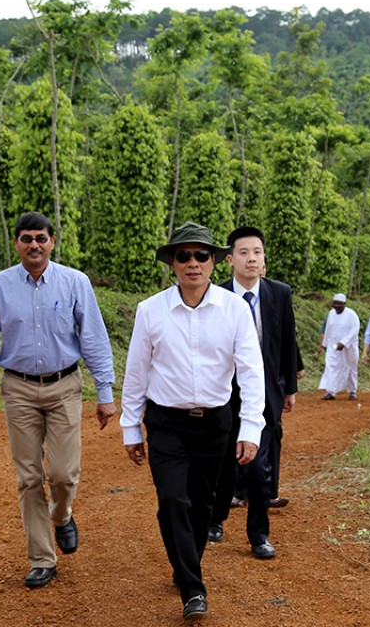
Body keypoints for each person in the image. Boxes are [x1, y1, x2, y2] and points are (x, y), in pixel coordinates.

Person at [120, 222, 265, 621]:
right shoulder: (150, 311)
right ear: (172, 263)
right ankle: (193, 586)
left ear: (215, 261)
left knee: (203, 505)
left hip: (217, 422)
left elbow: (251, 371)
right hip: (166, 422)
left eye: (201, 254)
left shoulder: (235, 310)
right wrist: (131, 426)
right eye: (182, 255)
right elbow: (136, 371)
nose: (192, 262)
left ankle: (185, 563)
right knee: (172, 500)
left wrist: (250, 428)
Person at [0, 211, 116, 589]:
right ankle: (41, 558)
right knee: (29, 476)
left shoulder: (74, 282)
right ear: (16, 243)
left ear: (52, 242)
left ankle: (62, 516)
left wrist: (104, 392)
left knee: (64, 474)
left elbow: (94, 338)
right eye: (26, 238)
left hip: (64, 385)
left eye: (40, 238)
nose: (34, 245)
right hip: (17, 390)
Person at [209, 226, 299, 560]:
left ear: (263, 259)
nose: (251, 258)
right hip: (222, 393)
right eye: (244, 252)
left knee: (259, 465)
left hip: (263, 394)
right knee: (222, 461)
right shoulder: (214, 296)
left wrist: (289, 387)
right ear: (230, 259)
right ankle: (215, 519)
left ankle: (259, 534)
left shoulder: (279, 294)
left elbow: (287, 342)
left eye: (257, 252)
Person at [317, 293, 360, 401]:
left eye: (339, 304)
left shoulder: (351, 314)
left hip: (349, 347)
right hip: (334, 345)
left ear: (344, 304)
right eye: (335, 303)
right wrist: (325, 344)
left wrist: (344, 343)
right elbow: (328, 329)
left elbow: (355, 330)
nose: (336, 305)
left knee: (350, 367)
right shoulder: (331, 314)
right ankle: (331, 392)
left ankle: (352, 391)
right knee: (331, 366)